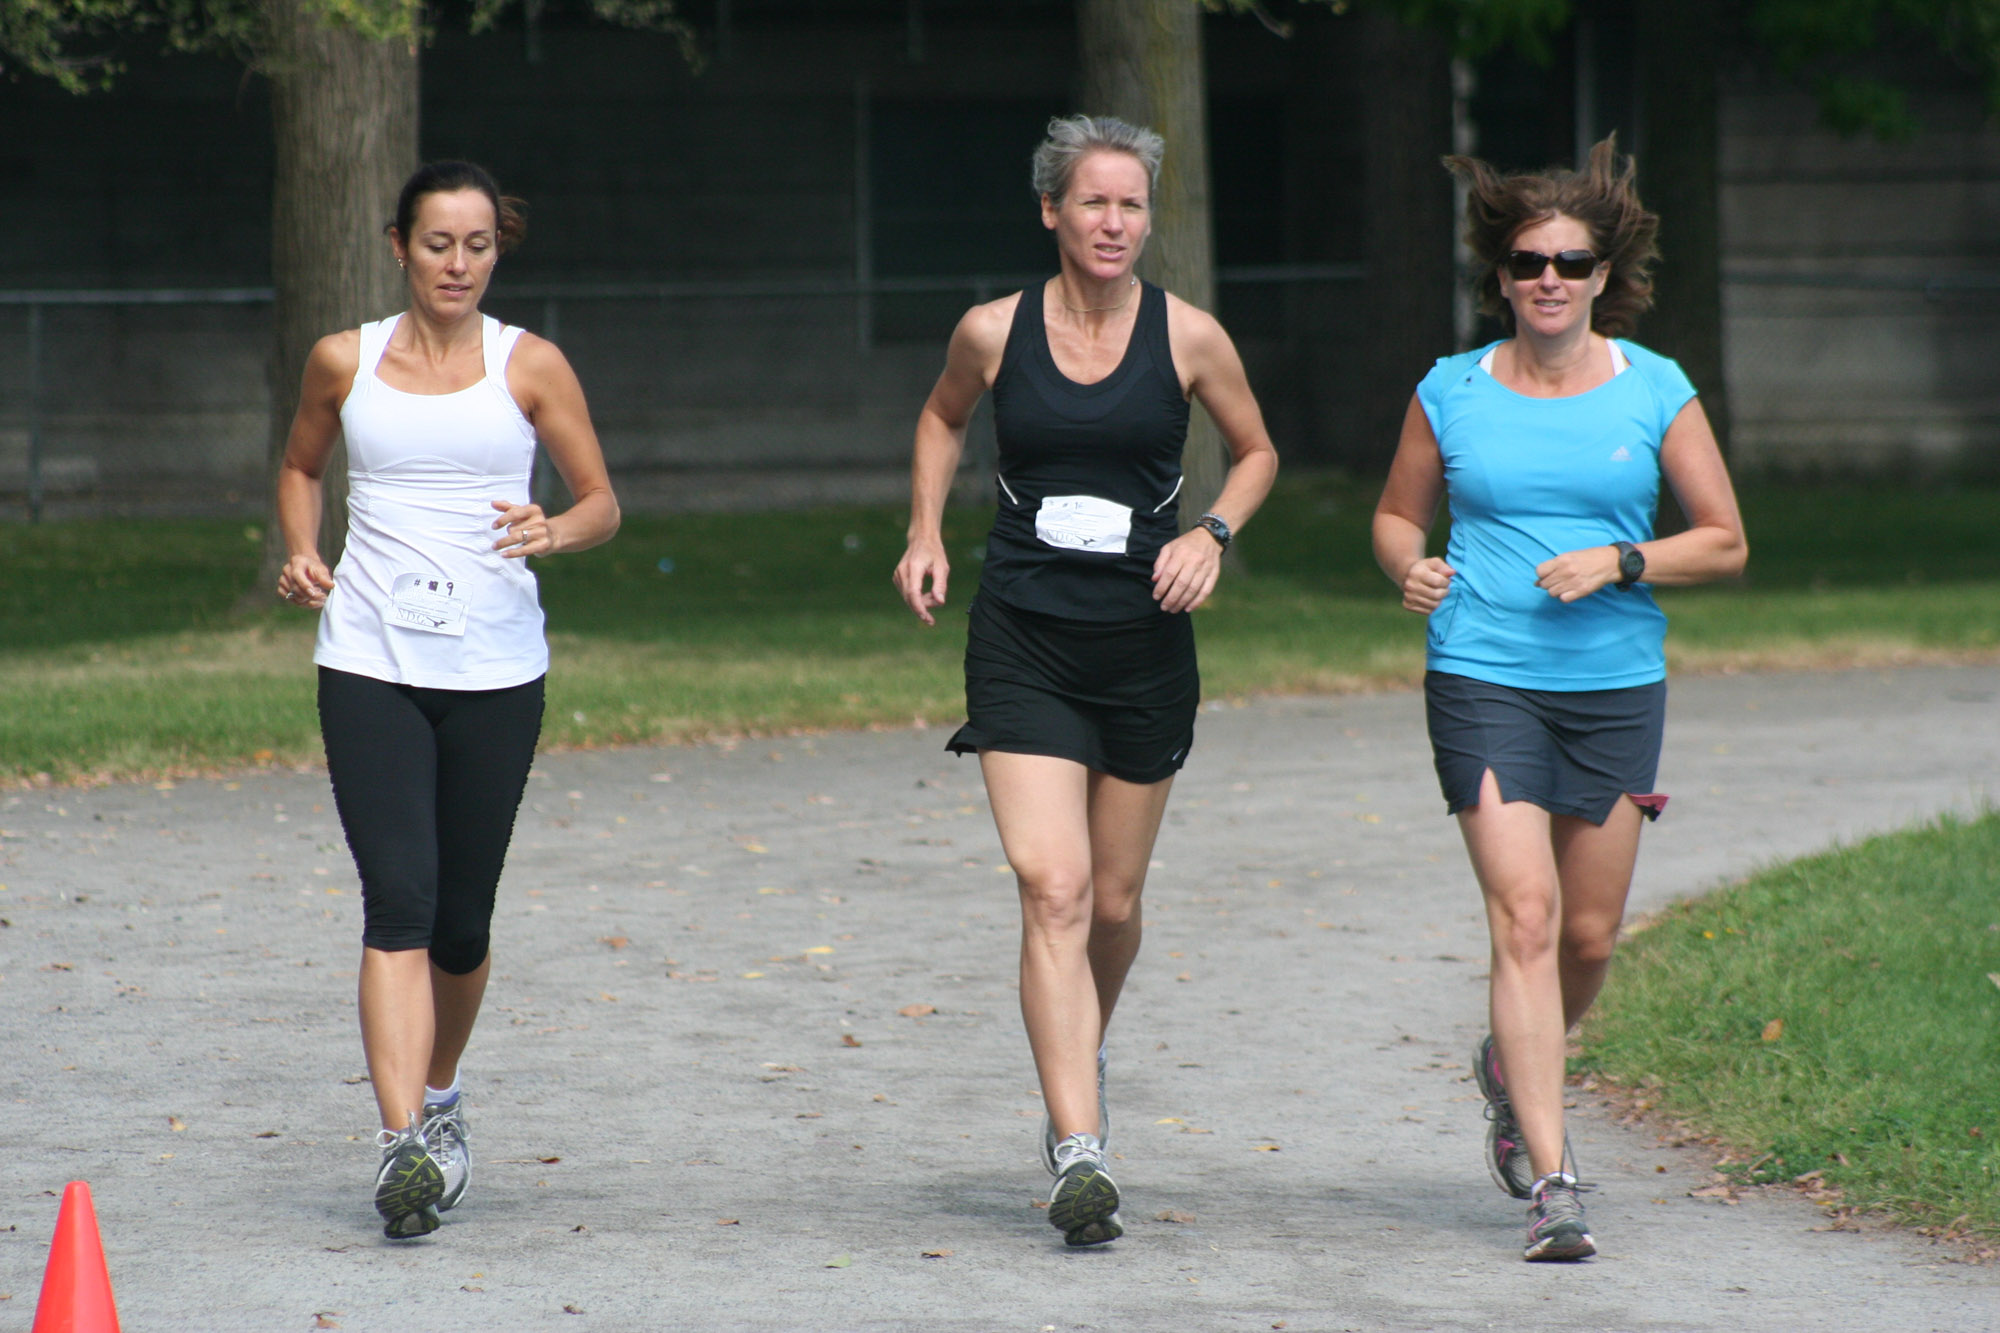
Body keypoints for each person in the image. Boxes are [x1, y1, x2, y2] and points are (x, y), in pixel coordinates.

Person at [893, 115, 1279, 1247]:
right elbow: (940, 418)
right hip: (1022, 636)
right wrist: (925, 530)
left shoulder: (1190, 336)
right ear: (1051, 211)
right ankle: (1078, 1145)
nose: (1113, 222)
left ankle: (1078, 1051)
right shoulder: (992, 330)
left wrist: (1211, 530)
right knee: (1051, 886)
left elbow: (1257, 451)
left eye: (1131, 204)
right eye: (1093, 201)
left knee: (1110, 903)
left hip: (1143, 644)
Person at [1372, 138, 1747, 1261]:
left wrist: (1621, 561)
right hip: (1481, 670)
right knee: (1525, 917)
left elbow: (1724, 541)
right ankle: (1553, 1181)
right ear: (1500, 274)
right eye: (1528, 261)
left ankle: (1508, 1062)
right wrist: (1408, 566)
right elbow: (1397, 515)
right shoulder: (1449, 389)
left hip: (1613, 684)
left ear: (1601, 274)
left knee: (1586, 933)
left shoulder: (1655, 387)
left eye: (1570, 262)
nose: (1548, 279)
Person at [274, 161, 619, 1238]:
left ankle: (439, 1095)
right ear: (398, 246)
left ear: (495, 250)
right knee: (399, 902)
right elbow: (300, 467)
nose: (458, 264)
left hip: (494, 671)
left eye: (477, 245)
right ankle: (400, 1145)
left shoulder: (530, 364)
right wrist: (302, 547)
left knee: (461, 923)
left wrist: (555, 529)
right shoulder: (344, 359)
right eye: (437, 244)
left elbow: (601, 501)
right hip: (367, 662)